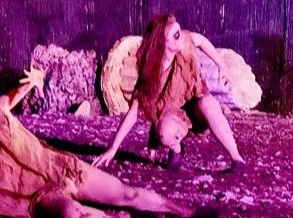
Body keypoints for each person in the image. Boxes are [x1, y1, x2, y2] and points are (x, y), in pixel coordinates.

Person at [0, 66, 217, 218]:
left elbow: (12, 95)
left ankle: (185, 210)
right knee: (77, 216)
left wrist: (30, 82)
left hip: (61, 168)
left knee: (127, 192)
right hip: (40, 196)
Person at [94, 14, 248, 174]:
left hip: (197, 103)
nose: (181, 36)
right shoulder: (151, 75)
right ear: (163, 45)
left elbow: (201, 41)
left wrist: (222, 66)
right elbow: (133, 113)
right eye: (175, 35)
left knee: (207, 104)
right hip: (173, 115)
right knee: (165, 132)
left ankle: (237, 159)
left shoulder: (184, 44)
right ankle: (177, 149)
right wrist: (113, 148)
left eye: (179, 31)